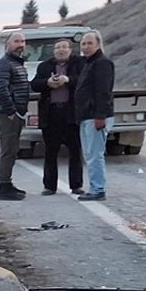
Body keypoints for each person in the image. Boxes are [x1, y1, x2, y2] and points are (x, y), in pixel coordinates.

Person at [29, 38, 84, 194]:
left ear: (70, 49)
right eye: (57, 48)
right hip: (51, 114)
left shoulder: (79, 63)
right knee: (50, 151)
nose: (61, 50)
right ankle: (49, 186)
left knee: (75, 151)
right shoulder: (45, 66)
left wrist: (68, 80)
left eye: (64, 47)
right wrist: (47, 82)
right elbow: (34, 84)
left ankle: (76, 185)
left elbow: (84, 81)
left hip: (71, 113)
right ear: (53, 51)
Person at [75, 30, 115, 201]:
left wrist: (100, 116)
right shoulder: (88, 63)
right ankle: (94, 186)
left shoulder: (102, 63)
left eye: (89, 43)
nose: (86, 47)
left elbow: (103, 91)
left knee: (94, 155)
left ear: (98, 44)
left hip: (95, 116)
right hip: (86, 115)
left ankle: (98, 189)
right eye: (83, 44)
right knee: (89, 155)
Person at [0, 32, 29, 200]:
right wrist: (11, 111)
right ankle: (3, 187)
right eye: (16, 41)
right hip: (8, 114)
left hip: (16, 113)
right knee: (8, 151)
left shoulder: (17, 63)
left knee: (12, 150)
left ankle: (7, 183)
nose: (20, 44)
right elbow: (0, 88)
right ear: (7, 44)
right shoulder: (3, 64)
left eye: (22, 41)